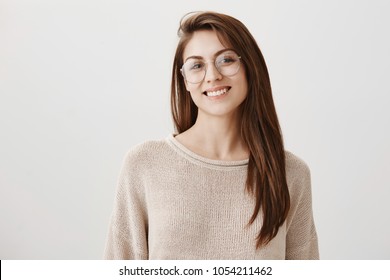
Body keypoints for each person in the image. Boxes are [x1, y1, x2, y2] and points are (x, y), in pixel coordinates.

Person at [103, 11, 319, 260]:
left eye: (226, 60)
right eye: (197, 65)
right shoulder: (144, 164)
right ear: (184, 81)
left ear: (250, 66)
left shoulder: (290, 173)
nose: (213, 75)